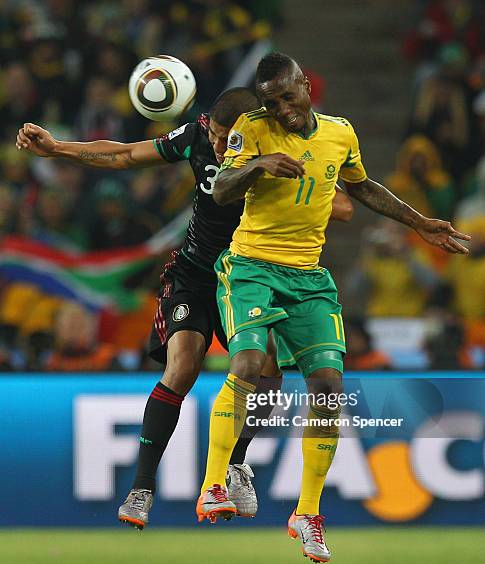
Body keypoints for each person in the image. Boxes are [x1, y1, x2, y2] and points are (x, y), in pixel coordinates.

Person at [15, 86, 354, 530]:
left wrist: (293, 183)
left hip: (254, 275)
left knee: (269, 369)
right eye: (213, 135)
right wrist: (60, 149)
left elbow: (344, 204)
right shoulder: (196, 136)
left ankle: (235, 463)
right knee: (183, 364)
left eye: (225, 139)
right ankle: (141, 488)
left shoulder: (281, 144)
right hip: (195, 274)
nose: (216, 146)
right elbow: (128, 155)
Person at [196, 53, 471, 564]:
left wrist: (419, 223)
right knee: (250, 364)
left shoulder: (340, 133)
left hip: (308, 276)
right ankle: (214, 483)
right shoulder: (251, 130)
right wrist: (256, 164)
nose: (283, 110)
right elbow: (219, 192)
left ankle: (306, 513)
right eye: (272, 103)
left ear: (305, 85)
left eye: (288, 97)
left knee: (327, 387)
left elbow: (361, 185)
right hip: (252, 267)